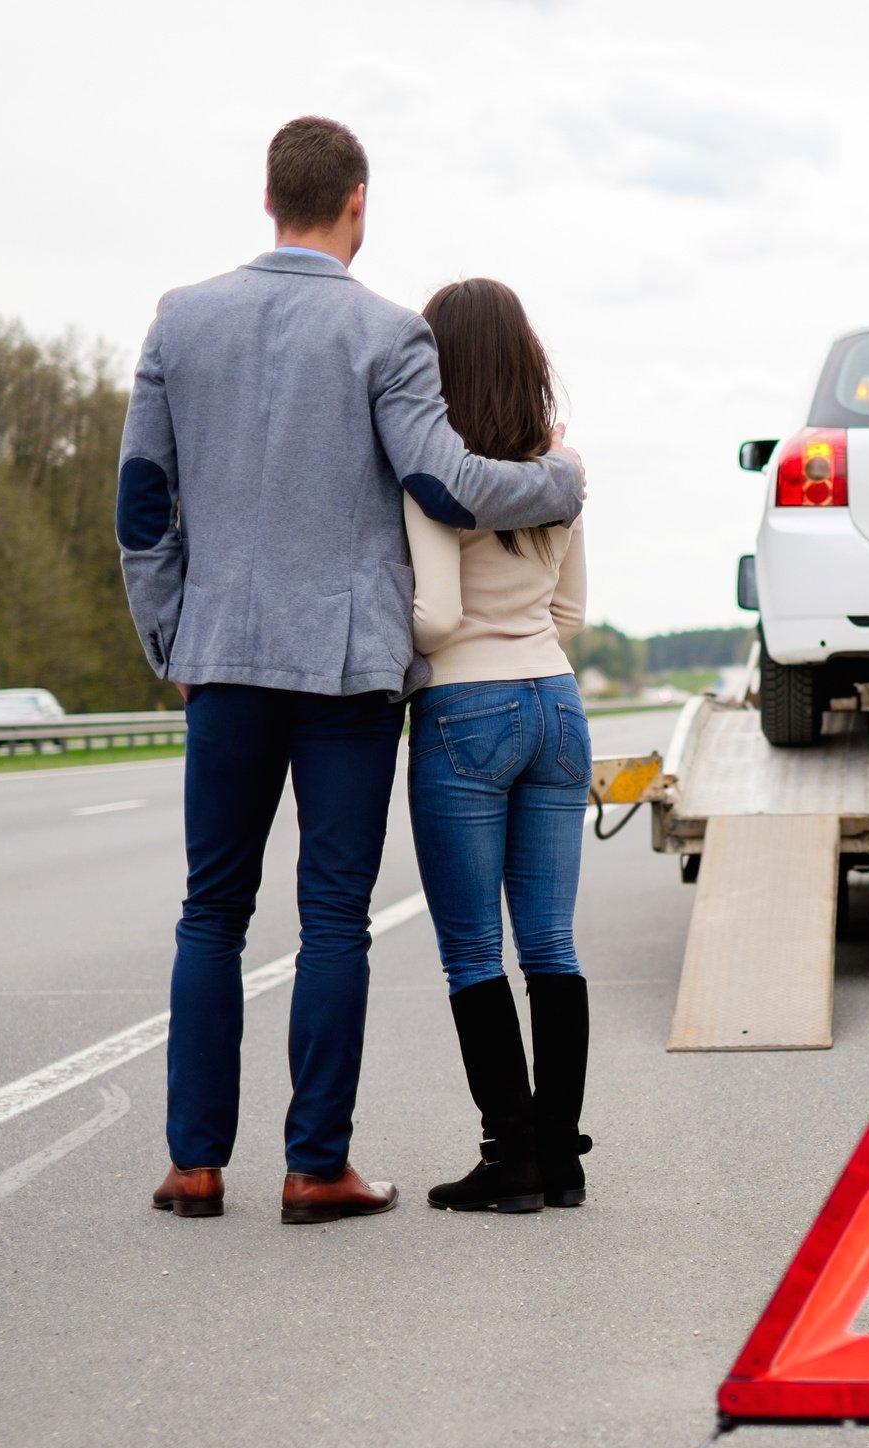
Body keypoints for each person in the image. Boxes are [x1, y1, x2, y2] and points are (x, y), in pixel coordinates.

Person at [115, 119, 585, 1225]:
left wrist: (170, 641)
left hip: (221, 657)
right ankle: (313, 1165)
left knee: (209, 915)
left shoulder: (180, 320)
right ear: (357, 200)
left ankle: (194, 1162)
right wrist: (561, 484)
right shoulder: (386, 334)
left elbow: (143, 503)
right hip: (347, 674)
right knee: (332, 918)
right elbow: (451, 482)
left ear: (268, 195)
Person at [404, 278, 593, 1215]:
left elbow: (435, 618)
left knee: (474, 948)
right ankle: (560, 1158)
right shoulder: (560, 469)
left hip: (464, 708)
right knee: (551, 943)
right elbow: (572, 612)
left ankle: (507, 1158)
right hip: (557, 702)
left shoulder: (435, 477)